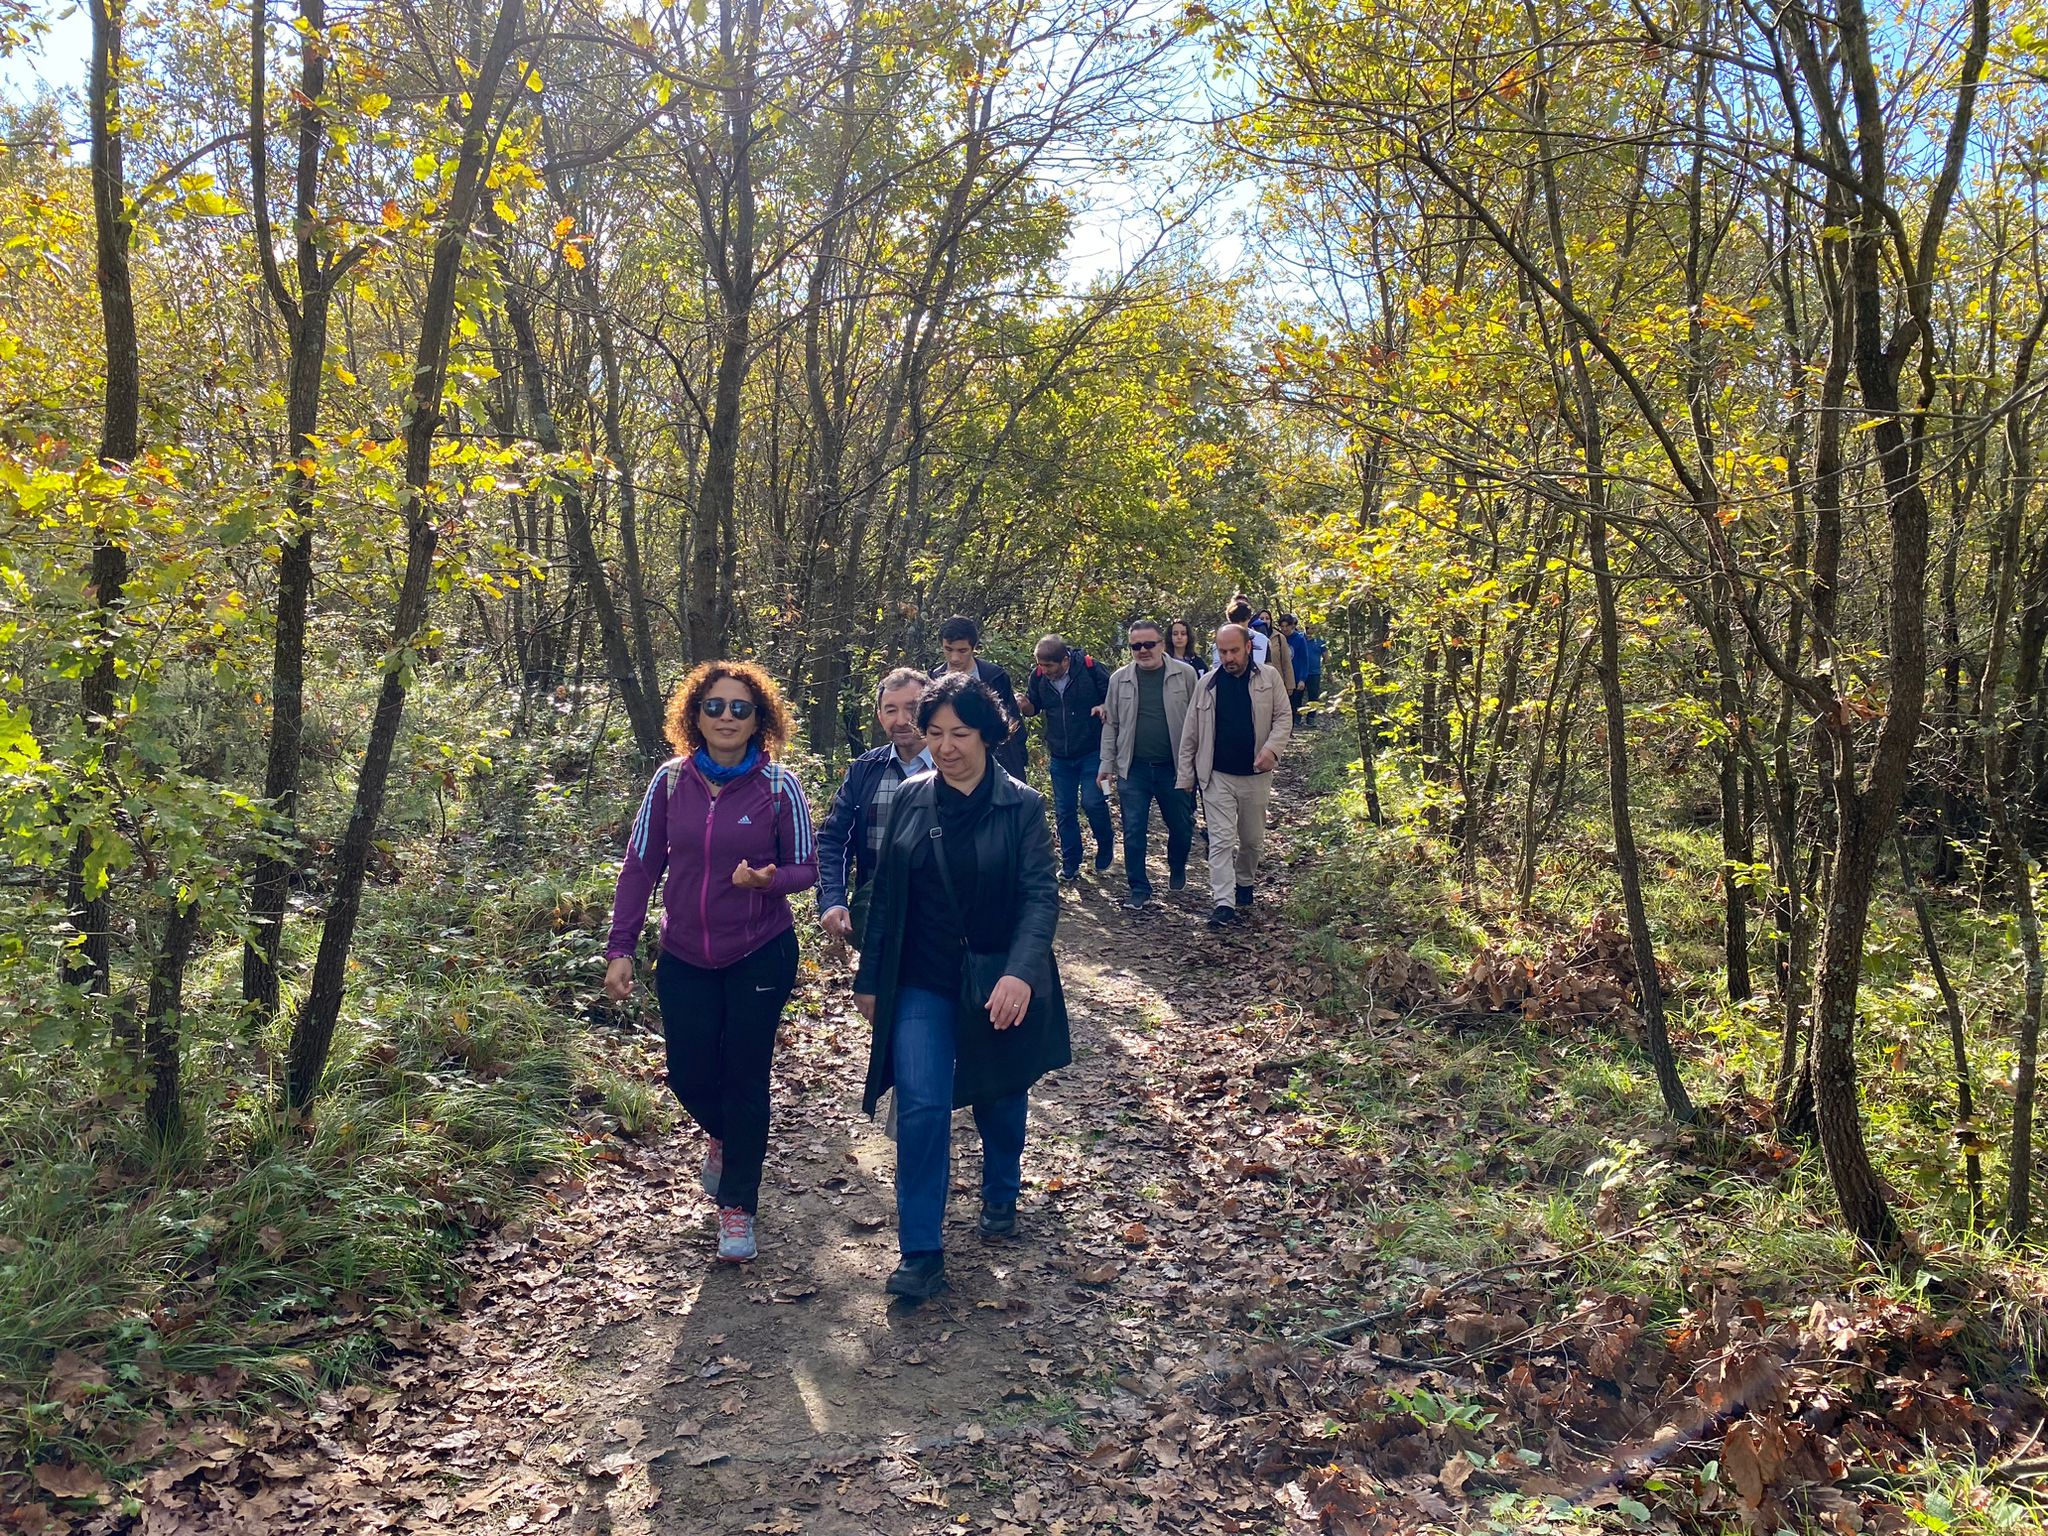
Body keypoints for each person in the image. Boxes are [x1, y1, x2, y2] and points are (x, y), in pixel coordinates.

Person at [853, 672, 1069, 1300]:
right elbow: (886, 895)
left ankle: (1001, 1191)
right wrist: (871, 976)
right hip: (921, 978)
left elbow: (1039, 896)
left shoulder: (1022, 806)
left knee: (1000, 1094)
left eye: (960, 734)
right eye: (935, 733)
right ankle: (921, 1251)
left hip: (996, 975)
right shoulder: (910, 798)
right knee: (921, 1105)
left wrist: (1019, 973)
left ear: (989, 735)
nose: (945, 747)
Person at [604, 662, 818, 1263]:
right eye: (715, 706)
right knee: (687, 1073)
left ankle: (737, 1208)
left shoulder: (779, 787)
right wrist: (620, 948)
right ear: (694, 716)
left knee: (746, 1077)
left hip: (759, 952)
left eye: (740, 708)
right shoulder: (670, 782)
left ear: (759, 719)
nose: (727, 717)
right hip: (684, 953)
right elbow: (640, 867)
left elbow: (807, 868)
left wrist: (769, 880)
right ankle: (726, 1135)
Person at [1178, 624, 1291, 927]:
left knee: (1252, 840)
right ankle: (1223, 902)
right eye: (1223, 651)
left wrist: (1272, 750)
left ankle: (1244, 882)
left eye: (1234, 651)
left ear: (1248, 648)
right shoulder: (1207, 684)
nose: (1228, 657)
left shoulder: (1269, 678)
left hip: (1256, 774)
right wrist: (1186, 776)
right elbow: (1191, 732)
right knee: (1221, 840)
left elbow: (1283, 717)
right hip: (1217, 776)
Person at [817, 667, 932, 946]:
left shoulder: (954, 766)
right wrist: (833, 900)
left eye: (912, 708)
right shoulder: (865, 769)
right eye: (891, 710)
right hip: (877, 919)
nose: (902, 720)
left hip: (942, 924)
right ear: (880, 716)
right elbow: (833, 840)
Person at [1097, 619, 1199, 911]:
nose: (1143, 650)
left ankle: (1176, 864)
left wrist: (1197, 764)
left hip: (1174, 768)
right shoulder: (1119, 679)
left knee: (1181, 826)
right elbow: (1111, 724)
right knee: (1133, 830)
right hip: (1134, 768)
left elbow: (1198, 720)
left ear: (1162, 644)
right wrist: (1106, 764)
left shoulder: (1185, 674)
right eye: (1136, 646)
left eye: (1149, 644)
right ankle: (1138, 888)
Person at [1017, 634, 1115, 881]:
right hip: (1060, 754)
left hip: (1093, 750)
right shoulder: (1038, 676)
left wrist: (1105, 707)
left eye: (1049, 665)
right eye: (1040, 665)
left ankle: (1105, 843)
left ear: (1065, 660)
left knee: (1093, 802)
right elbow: (1034, 708)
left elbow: (1114, 698)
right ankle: (1071, 863)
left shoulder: (1090, 669)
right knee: (1064, 810)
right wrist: (1024, 705)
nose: (1044, 670)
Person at [936, 615, 1027, 780]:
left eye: (962, 651)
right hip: (953, 762)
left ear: (973, 647)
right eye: (948, 649)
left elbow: (1013, 721)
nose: (955, 658)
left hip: (999, 762)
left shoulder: (994, 676)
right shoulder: (935, 679)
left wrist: (1019, 759)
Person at [1279, 613, 1311, 727]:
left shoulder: (1299, 639)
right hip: (1282, 677)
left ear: (1292, 625)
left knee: (1295, 702)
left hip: (1296, 676)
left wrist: (1302, 679)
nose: (1284, 629)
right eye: (1282, 626)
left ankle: (1295, 723)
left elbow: (1304, 659)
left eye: (1287, 626)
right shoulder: (1278, 638)